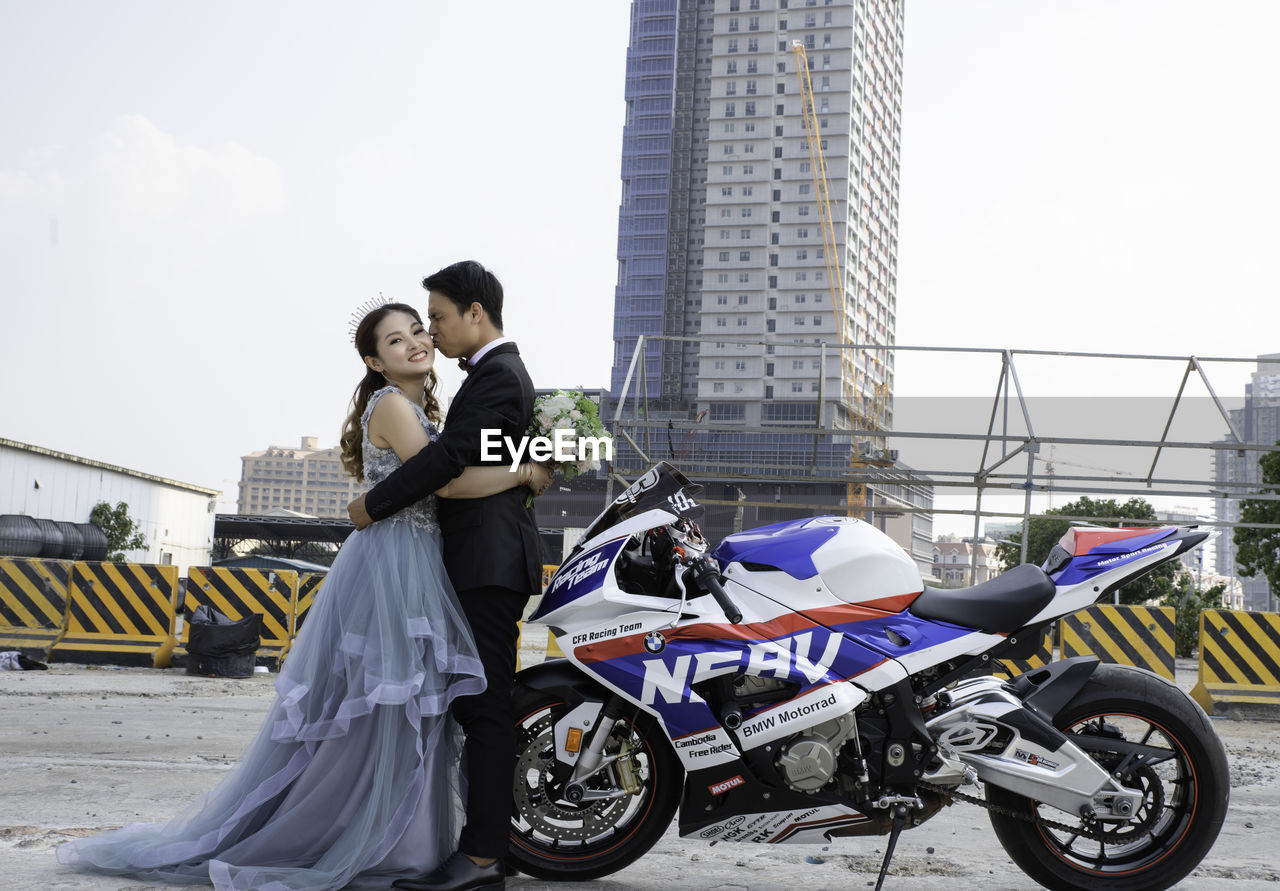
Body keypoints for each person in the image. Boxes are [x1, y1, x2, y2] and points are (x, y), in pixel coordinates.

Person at [56, 301, 549, 890]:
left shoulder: (421, 408)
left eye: (418, 330)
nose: (416, 342)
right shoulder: (392, 405)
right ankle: (357, 836)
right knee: (381, 708)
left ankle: (398, 836)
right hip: (393, 563)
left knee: (405, 709)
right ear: (376, 361)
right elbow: (444, 481)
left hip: (417, 561)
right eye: (396, 341)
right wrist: (526, 470)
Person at [347, 260, 540, 891]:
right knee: (471, 708)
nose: (431, 331)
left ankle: (482, 856)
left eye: (435, 318)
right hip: (472, 561)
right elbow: (484, 459)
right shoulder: (490, 376)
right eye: (415, 326)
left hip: (485, 563)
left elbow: (451, 466)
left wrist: (368, 507)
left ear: (474, 314)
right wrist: (529, 464)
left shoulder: (497, 375)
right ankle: (475, 846)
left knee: (484, 709)